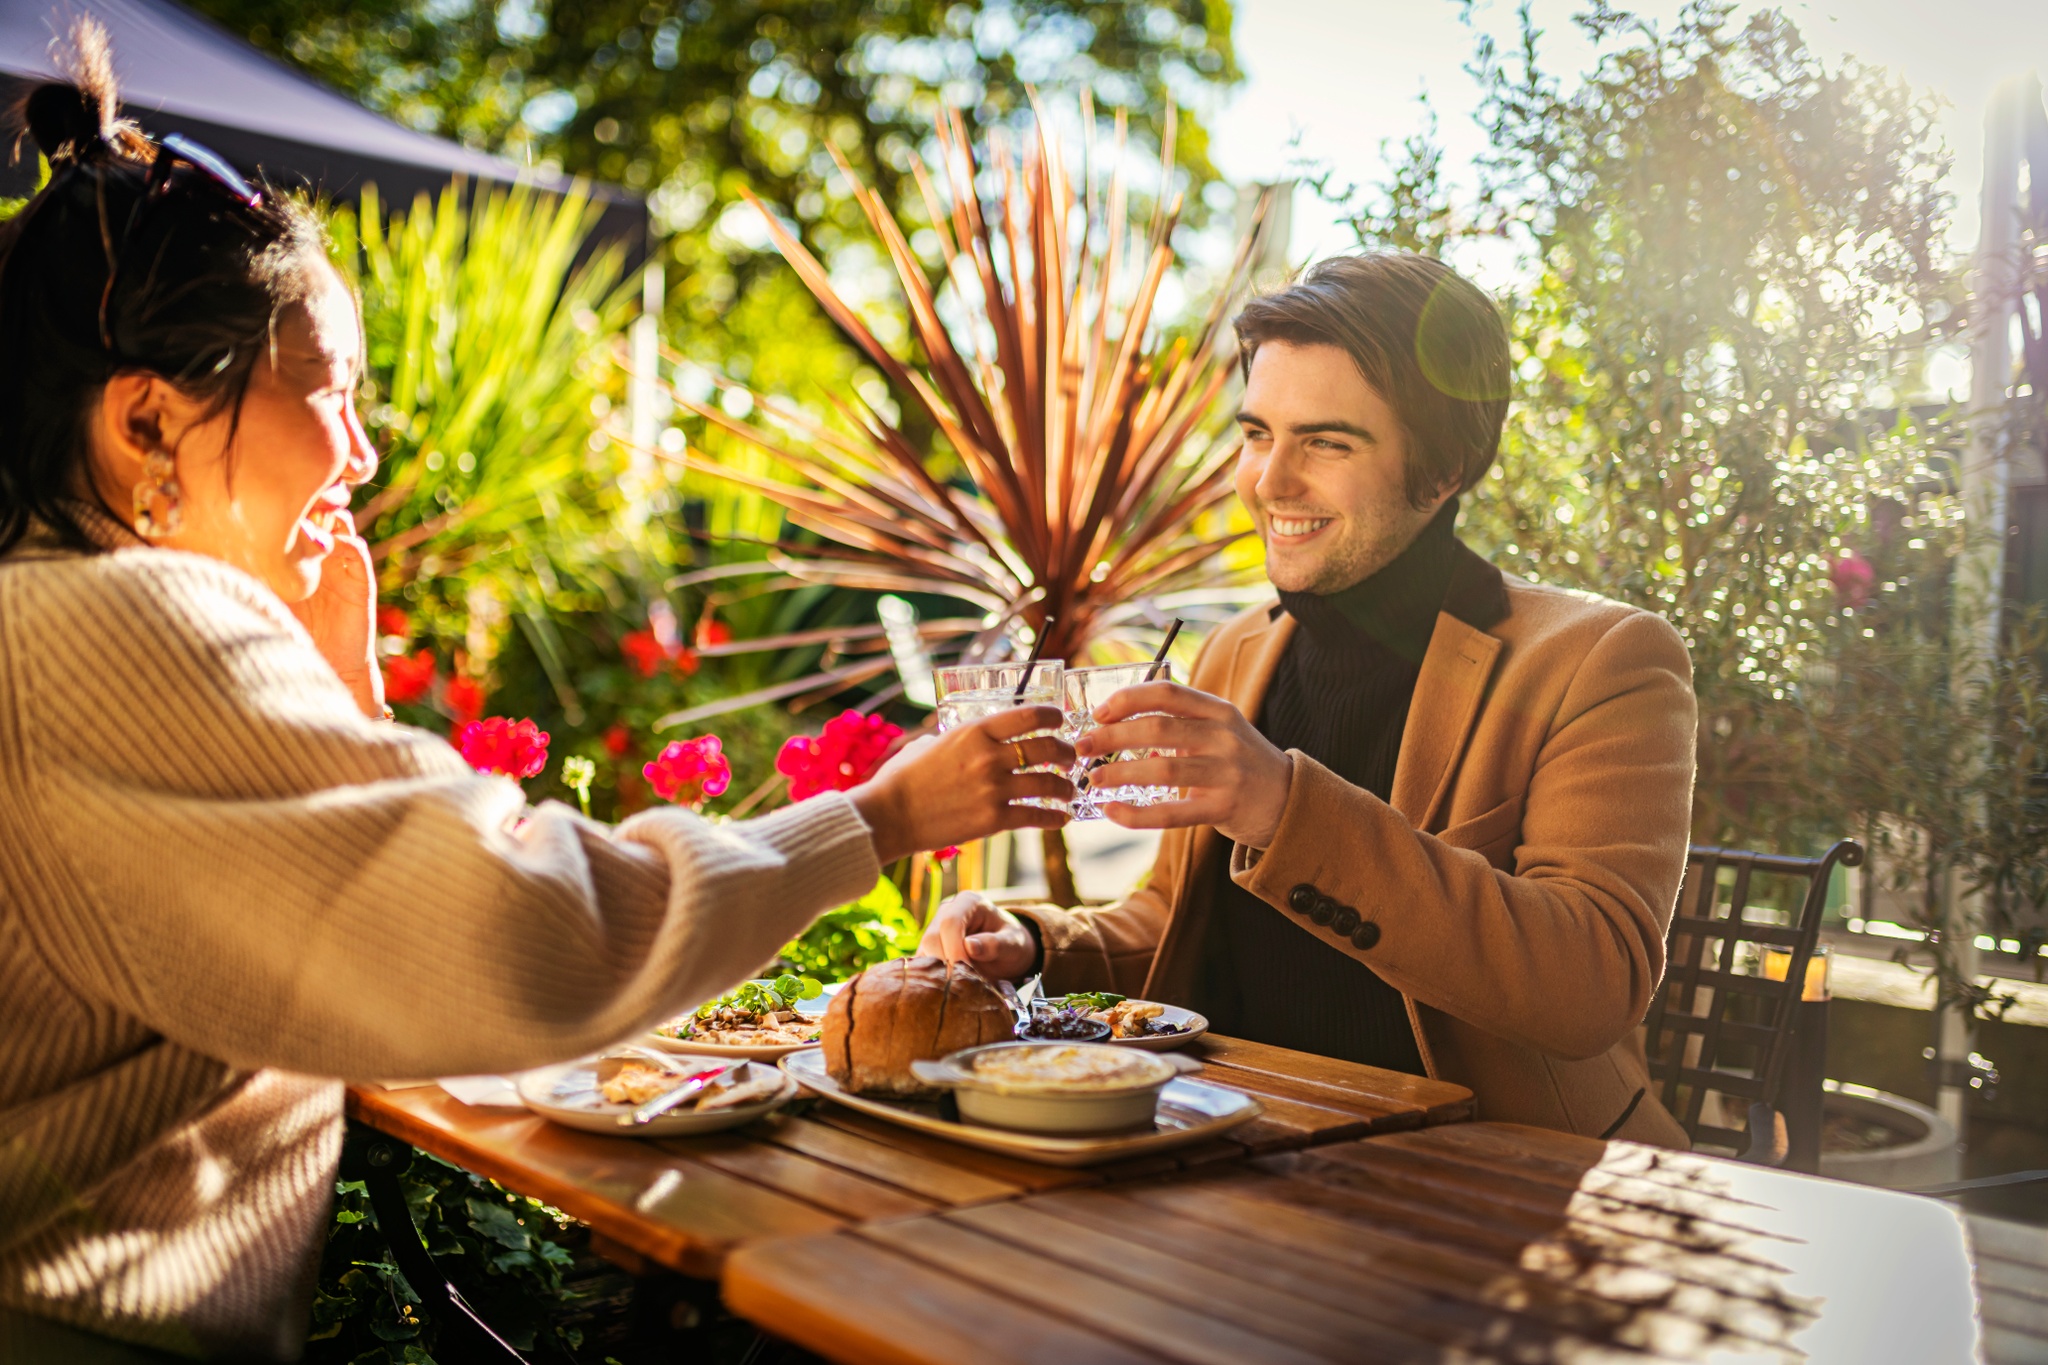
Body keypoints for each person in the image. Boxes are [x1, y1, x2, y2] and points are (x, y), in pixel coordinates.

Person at [0, 35, 1074, 1360]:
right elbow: (524, 935)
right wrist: (875, 819)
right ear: (148, 425)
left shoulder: (44, 608)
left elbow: (353, 975)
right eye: (328, 392)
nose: (363, 448)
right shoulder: (115, 621)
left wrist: (340, 693)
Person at [922, 251, 1698, 1148]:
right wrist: (1030, 942)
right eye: (1257, 434)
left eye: (1326, 442)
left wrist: (1282, 803)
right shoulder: (1238, 647)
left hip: (1496, 1174)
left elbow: (1587, 986)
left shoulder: (1602, 662)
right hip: (1238, 1143)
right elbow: (1172, 921)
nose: (1269, 481)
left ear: (1442, 470)